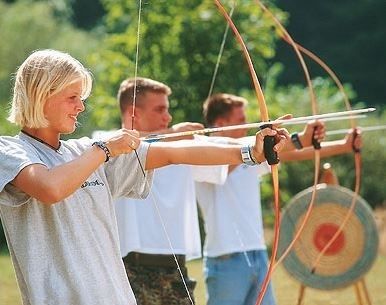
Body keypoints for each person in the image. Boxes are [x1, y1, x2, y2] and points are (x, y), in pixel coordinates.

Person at [0, 50, 289, 305]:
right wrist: (104, 149)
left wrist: (250, 151)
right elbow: (50, 188)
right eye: (72, 97)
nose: (81, 106)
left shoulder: (83, 151)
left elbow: (175, 153)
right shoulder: (11, 150)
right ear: (42, 94)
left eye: (81, 98)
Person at [196, 93, 362, 305]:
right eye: (240, 120)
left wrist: (343, 145)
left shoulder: (249, 152)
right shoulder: (203, 154)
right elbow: (234, 159)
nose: (247, 124)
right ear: (220, 123)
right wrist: (275, 142)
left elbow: (290, 153)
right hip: (226, 258)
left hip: (258, 254)